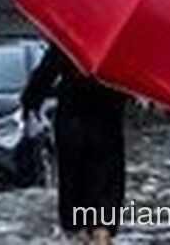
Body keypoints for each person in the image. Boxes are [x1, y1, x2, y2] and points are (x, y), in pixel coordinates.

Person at [22, 44, 128, 244]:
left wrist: (30, 102)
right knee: (105, 185)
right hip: (107, 126)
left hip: (73, 126)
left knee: (75, 184)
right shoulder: (120, 48)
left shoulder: (71, 38)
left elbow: (45, 74)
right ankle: (100, 231)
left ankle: (82, 232)